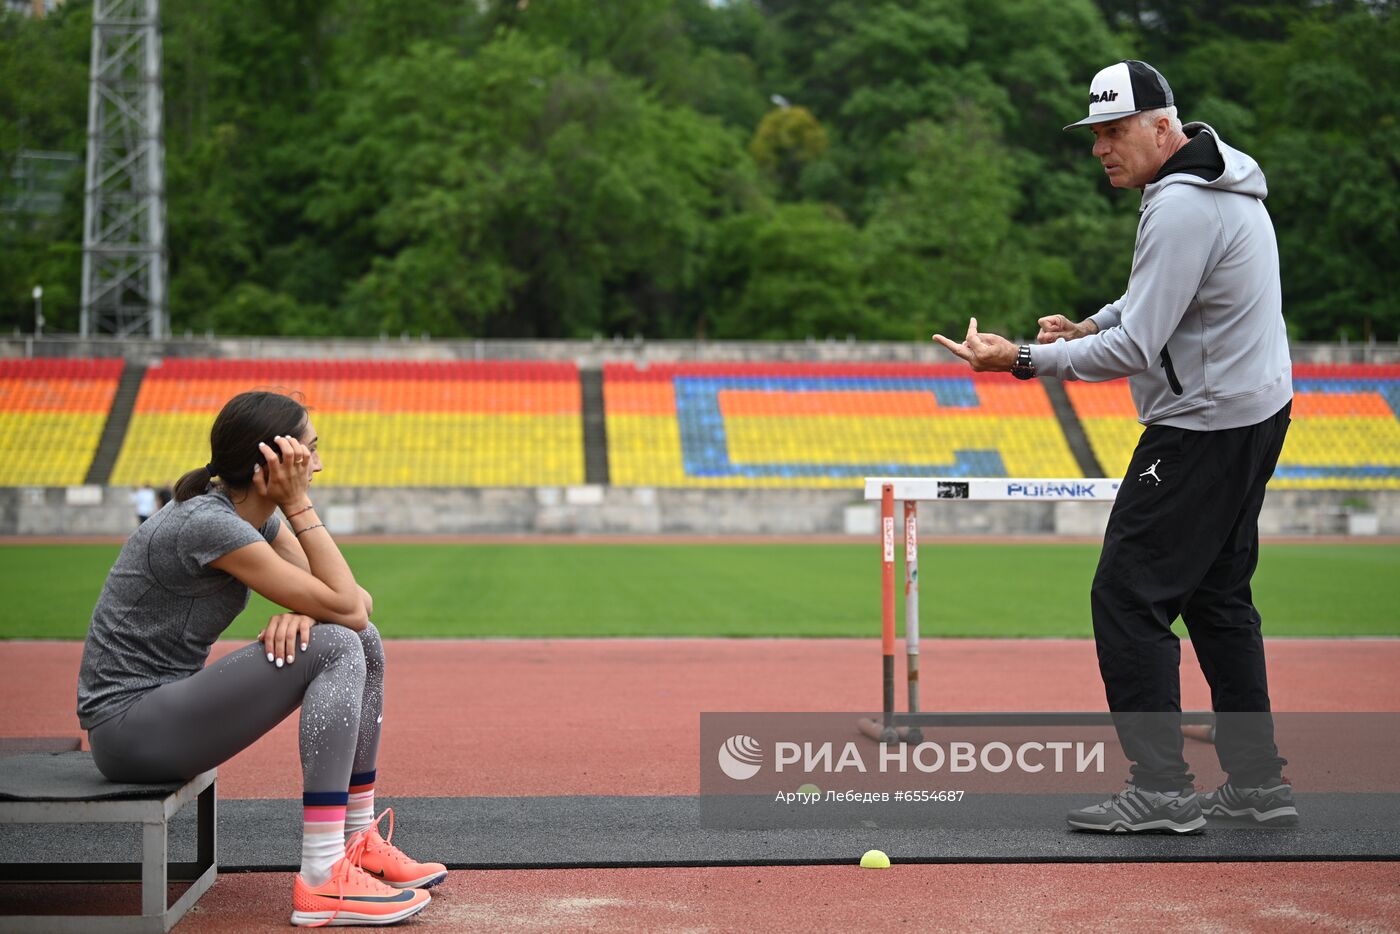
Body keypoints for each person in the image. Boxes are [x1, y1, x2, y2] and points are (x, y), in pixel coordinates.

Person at [933, 60, 1296, 834]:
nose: (1102, 148)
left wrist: (1023, 360)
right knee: (1219, 597)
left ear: (1162, 126)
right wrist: (1091, 322)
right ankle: (1258, 784)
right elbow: (1158, 298)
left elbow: (1138, 347)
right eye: (1095, 134)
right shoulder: (1219, 181)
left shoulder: (1181, 204)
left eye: (1115, 131)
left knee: (1127, 595)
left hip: (1201, 425)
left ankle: (1161, 790)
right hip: (1257, 412)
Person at [78, 391, 445, 925]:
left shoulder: (251, 518)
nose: (318, 464)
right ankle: (322, 877)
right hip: (128, 729)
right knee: (340, 644)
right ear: (270, 462)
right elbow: (346, 608)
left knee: (359, 640)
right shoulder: (208, 523)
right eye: (308, 453)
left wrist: (310, 610)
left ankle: (355, 840)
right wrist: (299, 508)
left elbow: (358, 606)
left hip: (162, 716)